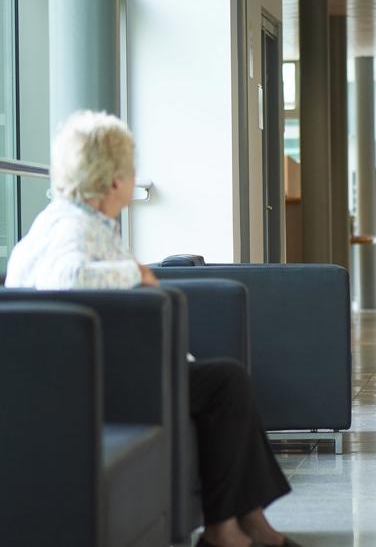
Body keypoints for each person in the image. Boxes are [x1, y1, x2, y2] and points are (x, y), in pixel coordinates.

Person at [5, 111, 300, 547]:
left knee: (223, 382)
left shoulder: (76, 220)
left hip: (96, 370)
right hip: (87, 383)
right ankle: (231, 528)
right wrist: (136, 274)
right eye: (130, 168)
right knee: (226, 383)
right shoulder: (72, 226)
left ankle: (242, 522)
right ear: (112, 179)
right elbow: (63, 277)